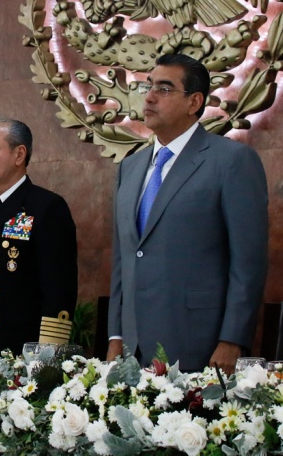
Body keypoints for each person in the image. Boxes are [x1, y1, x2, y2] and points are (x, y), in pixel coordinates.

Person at [107, 53, 269, 373]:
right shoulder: (131, 166)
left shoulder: (231, 161)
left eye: (165, 89)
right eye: (148, 86)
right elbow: (123, 258)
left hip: (198, 344)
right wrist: (115, 335)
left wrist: (232, 339)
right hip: (132, 349)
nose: (150, 96)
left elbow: (248, 261)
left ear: (194, 102)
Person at [0, 119, 78, 367]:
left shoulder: (45, 206)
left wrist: (46, 360)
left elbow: (58, 291)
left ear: (19, 154)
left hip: (22, 357)